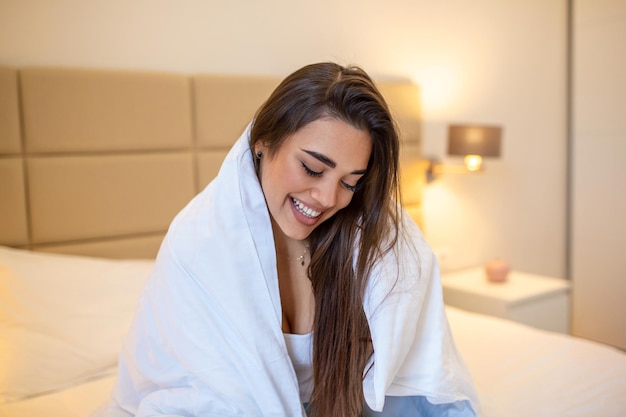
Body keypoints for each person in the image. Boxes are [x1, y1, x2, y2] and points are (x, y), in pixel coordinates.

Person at [96, 62, 480, 417]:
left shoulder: (379, 235)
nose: (328, 199)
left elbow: (426, 376)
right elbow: (200, 392)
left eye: (350, 182)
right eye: (312, 168)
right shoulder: (199, 245)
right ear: (263, 142)